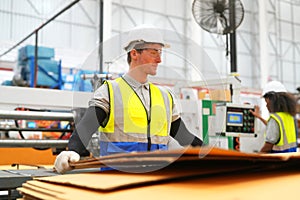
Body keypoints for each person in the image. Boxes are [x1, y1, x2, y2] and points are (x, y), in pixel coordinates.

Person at [54, 25, 203, 173]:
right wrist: (72, 151)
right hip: (117, 180)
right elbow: (87, 126)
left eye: (160, 53)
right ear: (134, 54)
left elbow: (182, 134)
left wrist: (210, 151)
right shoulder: (110, 91)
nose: (159, 60)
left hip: (156, 179)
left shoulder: (165, 96)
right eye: (154, 52)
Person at [250, 81, 297, 153]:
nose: (266, 105)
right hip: (290, 160)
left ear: (272, 100)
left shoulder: (275, 119)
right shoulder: (290, 117)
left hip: (278, 160)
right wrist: (259, 116)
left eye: (266, 102)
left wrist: (257, 157)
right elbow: (275, 129)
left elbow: (268, 146)